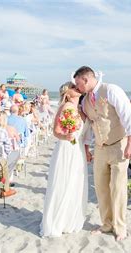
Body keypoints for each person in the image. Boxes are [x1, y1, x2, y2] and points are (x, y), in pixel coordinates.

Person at [74, 66, 131, 241]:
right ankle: (107, 223)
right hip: (100, 148)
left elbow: (129, 116)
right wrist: (87, 148)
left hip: (119, 145)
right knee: (101, 188)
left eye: (78, 83)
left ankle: (120, 226)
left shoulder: (111, 90)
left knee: (117, 188)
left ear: (86, 79)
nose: (77, 87)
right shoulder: (85, 100)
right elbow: (89, 126)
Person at [40, 82, 88, 238]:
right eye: (74, 87)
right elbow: (56, 131)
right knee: (64, 182)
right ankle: (58, 220)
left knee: (74, 182)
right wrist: (65, 136)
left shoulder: (79, 108)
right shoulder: (66, 107)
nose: (77, 89)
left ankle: (69, 220)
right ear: (68, 93)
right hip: (67, 148)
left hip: (77, 147)